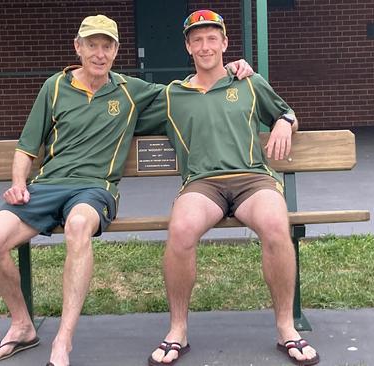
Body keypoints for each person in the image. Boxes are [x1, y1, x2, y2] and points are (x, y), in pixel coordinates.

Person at [0, 14, 253, 366]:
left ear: (116, 51)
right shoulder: (55, 87)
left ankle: (63, 340)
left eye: (107, 46)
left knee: (78, 226)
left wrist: (230, 69)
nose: (99, 53)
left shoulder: (130, 91)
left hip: (95, 190)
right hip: (45, 187)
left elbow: (189, 91)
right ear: (78, 47)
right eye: (92, 45)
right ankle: (21, 326)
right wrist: (18, 185)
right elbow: (27, 148)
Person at [141, 10, 320, 366]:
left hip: (253, 179)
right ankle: (178, 330)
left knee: (274, 224)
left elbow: (287, 113)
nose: (205, 46)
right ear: (187, 47)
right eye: (197, 40)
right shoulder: (172, 95)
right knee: (180, 229)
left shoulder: (249, 82)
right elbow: (122, 115)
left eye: (212, 38)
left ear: (224, 43)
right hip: (202, 184)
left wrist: (285, 122)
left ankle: (287, 327)